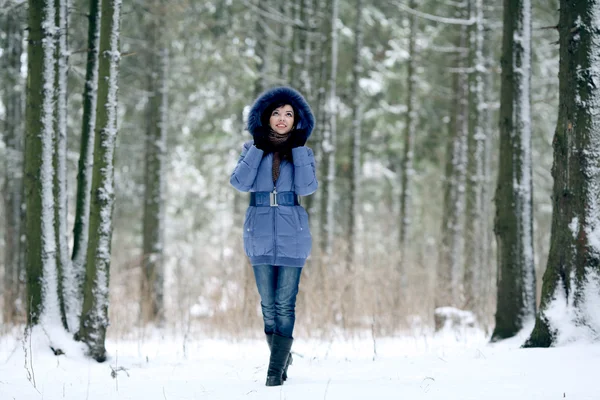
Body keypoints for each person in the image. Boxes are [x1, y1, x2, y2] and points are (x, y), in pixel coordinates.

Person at [230, 86, 318, 386]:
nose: (282, 119)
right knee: (268, 304)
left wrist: (299, 149)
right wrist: (256, 147)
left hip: (294, 233)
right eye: (277, 113)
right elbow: (240, 183)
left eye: (289, 114)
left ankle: (274, 372)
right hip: (260, 233)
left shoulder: (302, 153)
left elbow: (306, 188)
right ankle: (281, 356)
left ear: (297, 120)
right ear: (266, 117)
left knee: (285, 303)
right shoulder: (250, 149)